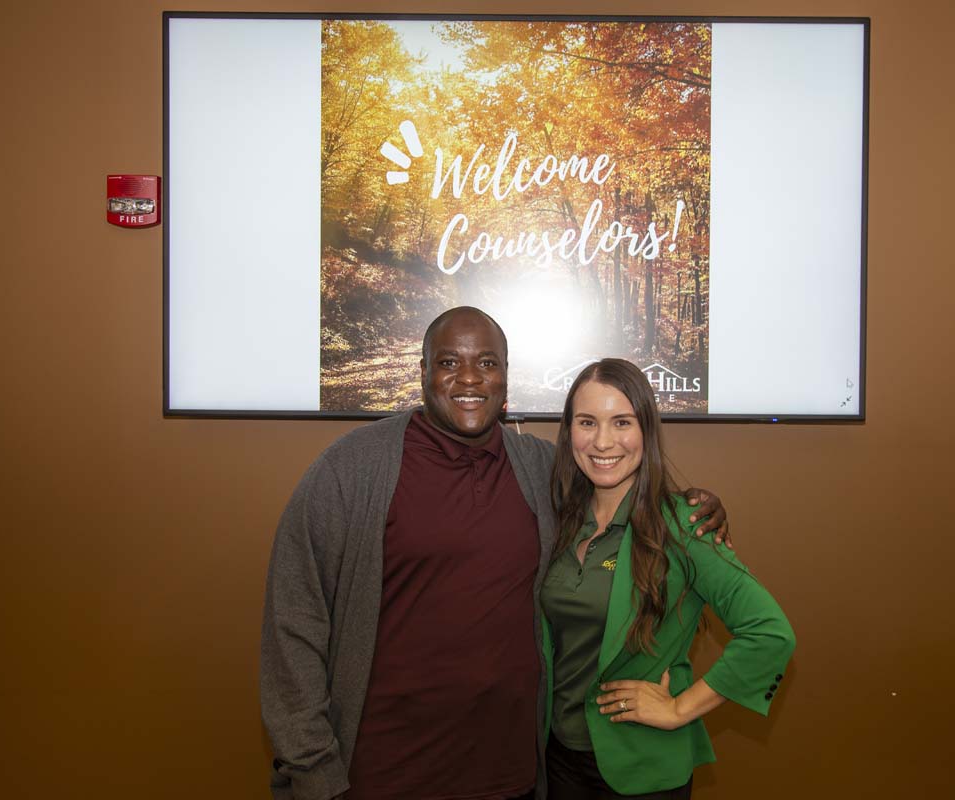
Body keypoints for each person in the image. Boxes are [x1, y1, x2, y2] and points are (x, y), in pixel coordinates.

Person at [260, 307, 730, 800]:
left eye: (486, 363)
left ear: (506, 379)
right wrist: (313, 769)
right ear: (422, 372)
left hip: (512, 776)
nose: (469, 378)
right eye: (448, 362)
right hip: (381, 774)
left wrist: (696, 508)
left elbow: (622, 488)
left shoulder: (543, 470)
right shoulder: (353, 470)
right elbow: (293, 623)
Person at [541, 358, 795, 799]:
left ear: (647, 432)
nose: (603, 441)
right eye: (587, 422)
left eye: (622, 422)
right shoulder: (559, 519)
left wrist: (680, 708)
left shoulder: (684, 525)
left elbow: (771, 634)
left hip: (642, 769)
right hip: (557, 759)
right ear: (569, 432)